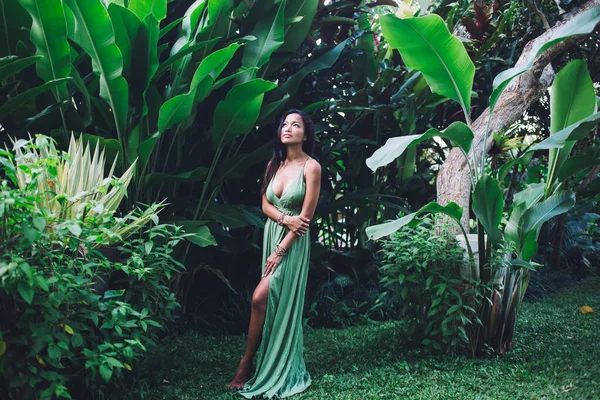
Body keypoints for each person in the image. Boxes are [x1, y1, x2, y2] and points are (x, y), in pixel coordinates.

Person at [228, 109, 321, 398]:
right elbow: (265, 205)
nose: (288, 128)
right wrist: (283, 219)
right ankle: (256, 359)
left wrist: (280, 250)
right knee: (266, 301)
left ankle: (246, 365)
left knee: (260, 297)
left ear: (305, 134)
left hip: (292, 244)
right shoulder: (276, 164)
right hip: (275, 233)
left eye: (296, 125)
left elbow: (304, 219)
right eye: (285, 124)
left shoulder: (312, 167)